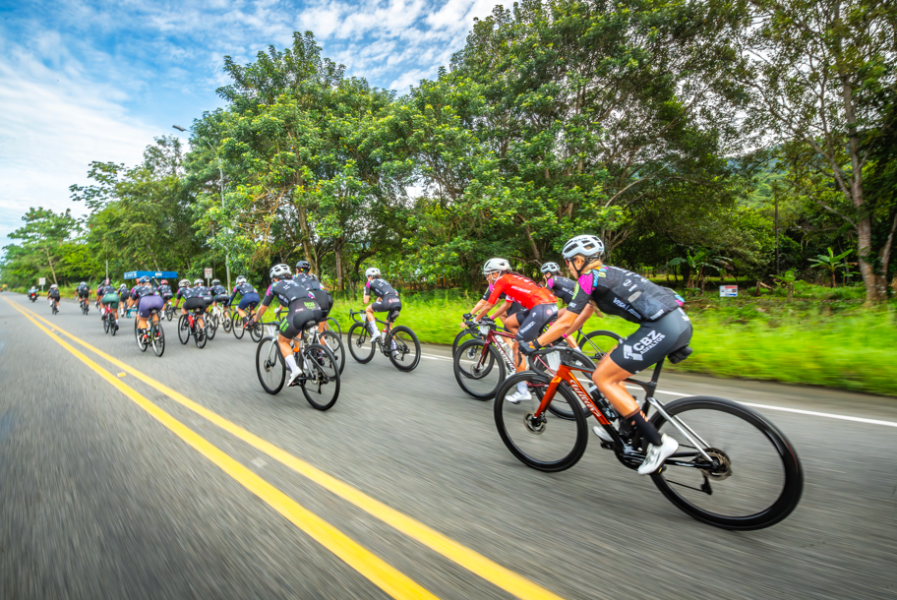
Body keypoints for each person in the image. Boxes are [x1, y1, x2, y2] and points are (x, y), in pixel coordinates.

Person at [521, 234, 689, 475]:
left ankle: (659, 443)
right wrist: (555, 333)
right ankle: (627, 427)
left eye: (568, 262)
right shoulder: (605, 273)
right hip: (673, 322)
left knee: (604, 378)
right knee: (606, 365)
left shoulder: (588, 278)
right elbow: (579, 316)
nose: (567, 267)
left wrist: (535, 343)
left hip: (663, 327)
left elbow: (567, 320)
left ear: (579, 260)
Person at [473, 259, 559, 403]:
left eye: (488, 275)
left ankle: (522, 390)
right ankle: (526, 356)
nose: (487, 278)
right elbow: (507, 304)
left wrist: (475, 320)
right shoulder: (511, 280)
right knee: (510, 322)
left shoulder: (501, 281)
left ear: (495, 273)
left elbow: (488, 305)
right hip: (544, 307)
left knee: (517, 346)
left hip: (540, 309)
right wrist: (492, 317)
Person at [248, 264, 320, 386]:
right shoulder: (296, 283)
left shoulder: (274, 286)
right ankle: (303, 362)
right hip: (315, 309)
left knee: (282, 341)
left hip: (298, 311)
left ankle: (295, 370)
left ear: (275, 278)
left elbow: (263, 307)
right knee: (297, 332)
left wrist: (253, 321)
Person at [540, 261, 601, 351]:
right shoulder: (562, 279)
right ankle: (563, 344)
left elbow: (544, 297)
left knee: (558, 324)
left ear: (548, 274)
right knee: (557, 320)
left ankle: (578, 354)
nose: (543, 277)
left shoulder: (551, 280)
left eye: (543, 275)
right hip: (586, 305)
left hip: (580, 306)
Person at [295, 260, 333, 337]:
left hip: (313, 300)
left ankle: (303, 343)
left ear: (297, 269)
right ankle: (321, 347)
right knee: (320, 330)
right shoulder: (314, 277)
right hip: (325, 298)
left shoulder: (297, 277)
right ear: (308, 271)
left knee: (299, 321)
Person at [362, 268, 401, 342]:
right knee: (388, 327)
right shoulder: (384, 282)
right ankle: (394, 347)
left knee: (368, 309)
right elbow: (396, 293)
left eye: (367, 277)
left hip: (388, 302)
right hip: (397, 302)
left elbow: (365, 301)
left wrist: (365, 289)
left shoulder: (369, 283)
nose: (367, 279)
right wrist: (377, 303)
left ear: (370, 277)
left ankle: (376, 332)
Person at [129, 277, 164, 341]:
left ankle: (145, 334)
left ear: (141, 283)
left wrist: (129, 307)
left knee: (142, 319)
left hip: (145, 303)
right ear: (150, 283)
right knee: (154, 314)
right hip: (158, 302)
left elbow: (133, 300)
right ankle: (157, 331)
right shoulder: (156, 288)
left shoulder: (138, 289)